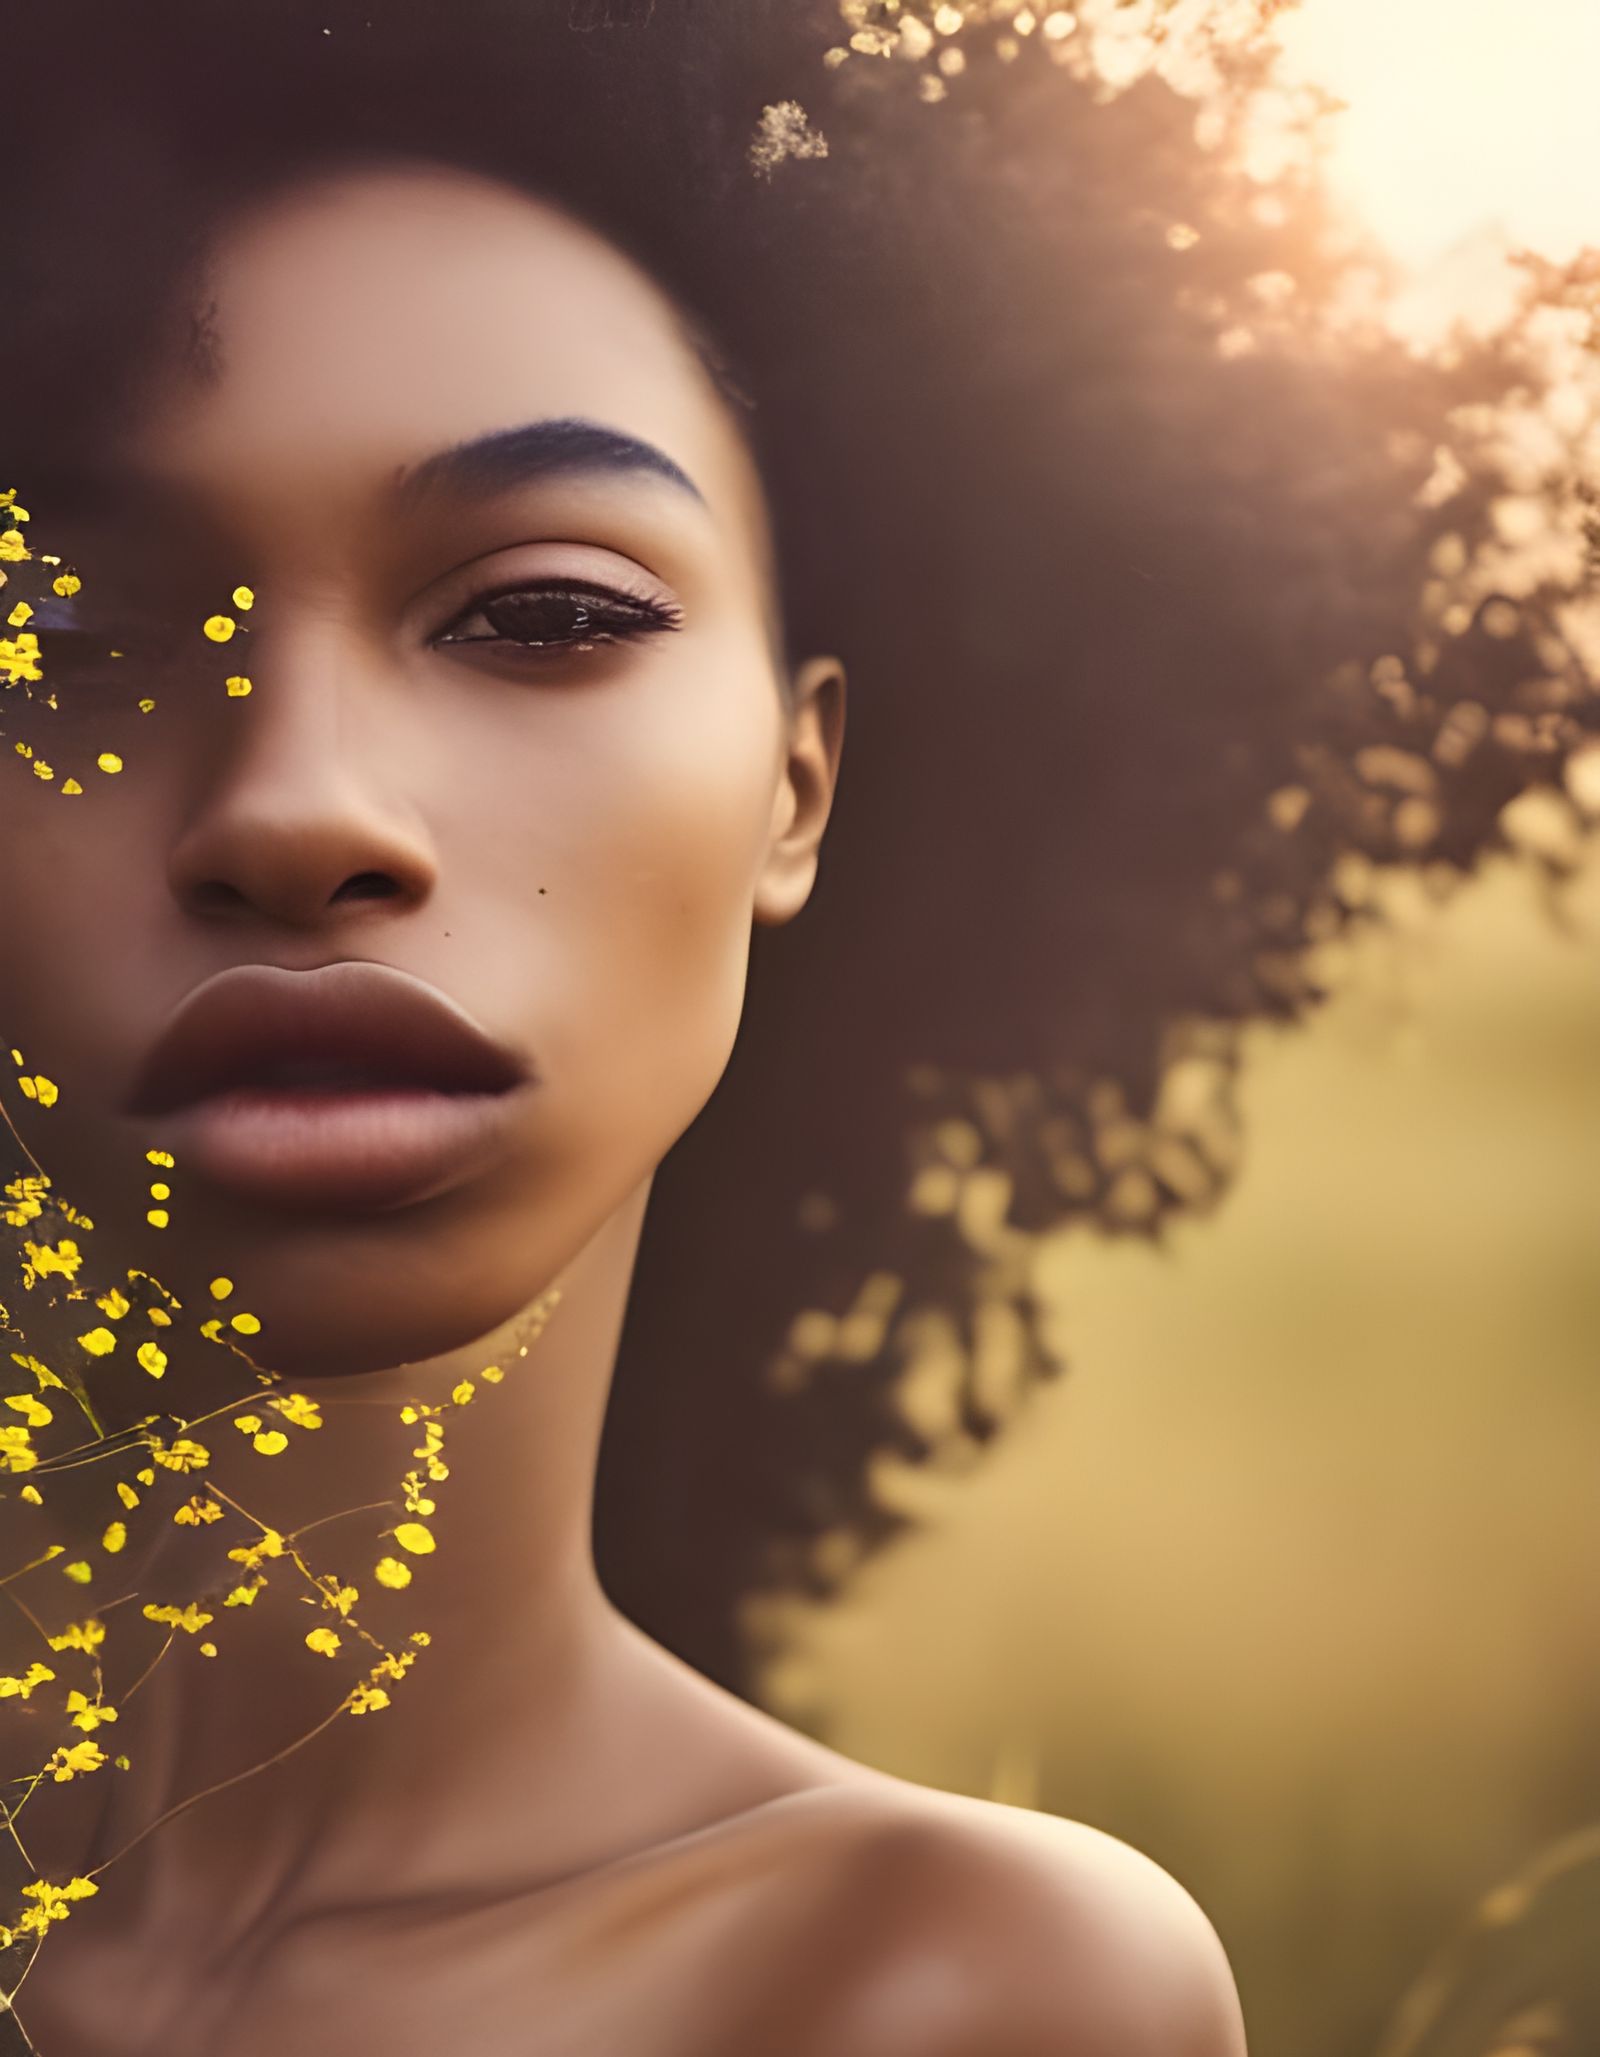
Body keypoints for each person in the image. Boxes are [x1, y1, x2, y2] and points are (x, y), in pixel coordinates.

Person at [2, 1, 1543, 2051]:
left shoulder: (942, 1997)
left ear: (791, 788)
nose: (298, 805)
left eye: (540, 612)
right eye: (66, 637)